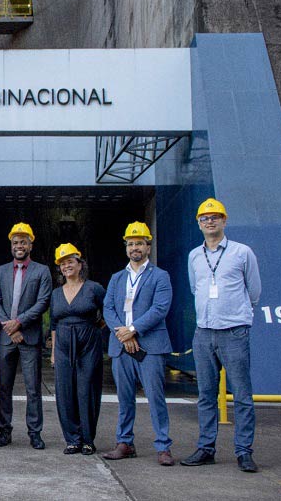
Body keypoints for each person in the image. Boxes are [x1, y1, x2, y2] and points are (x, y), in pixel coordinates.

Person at [181, 198, 261, 473]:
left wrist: (238, 317)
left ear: (224, 221)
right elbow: (196, 288)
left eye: (215, 217)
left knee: (241, 394)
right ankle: (206, 448)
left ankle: (243, 451)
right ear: (199, 223)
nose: (210, 221)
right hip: (203, 332)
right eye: (205, 218)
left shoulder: (242, 253)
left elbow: (254, 291)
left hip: (233, 332)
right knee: (205, 394)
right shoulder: (194, 255)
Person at [101, 222, 175, 466]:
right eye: (131, 243)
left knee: (155, 397)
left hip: (150, 346)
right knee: (124, 398)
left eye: (139, 243)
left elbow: (160, 308)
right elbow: (108, 308)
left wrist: (133, 330)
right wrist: (122, 333)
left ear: (148, 246)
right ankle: (124, 442)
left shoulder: (160, 276)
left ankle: (163, 446)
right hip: (121, 346)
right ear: (126, 247)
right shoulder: (117, 278)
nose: (135, 247)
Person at [0, 222, 52, 449]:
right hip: (7, 338)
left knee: (32, 388)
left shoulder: (41, 271)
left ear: (30, 244)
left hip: (30, 337)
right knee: (4, 388)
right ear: (11, 245)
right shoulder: (0, 271)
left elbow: (43, 302)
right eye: (15, 242)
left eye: (23, 242)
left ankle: (35, 433)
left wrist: (19, 324)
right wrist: (10, 328)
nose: (19, 245)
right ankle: (4, 431)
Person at [50, 243, 106, 455]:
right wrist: (54, 352)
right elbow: (54, 324)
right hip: (63, 344)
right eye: (63, 264)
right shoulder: (56, 294)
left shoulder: (94, 288)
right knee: (65, 392)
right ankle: (72, 439)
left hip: (88, 344)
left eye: (70, 262)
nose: (66, 266)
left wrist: (93, 330)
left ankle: (88, 439)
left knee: (87, 390)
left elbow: (107, 313)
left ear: (80, 264)